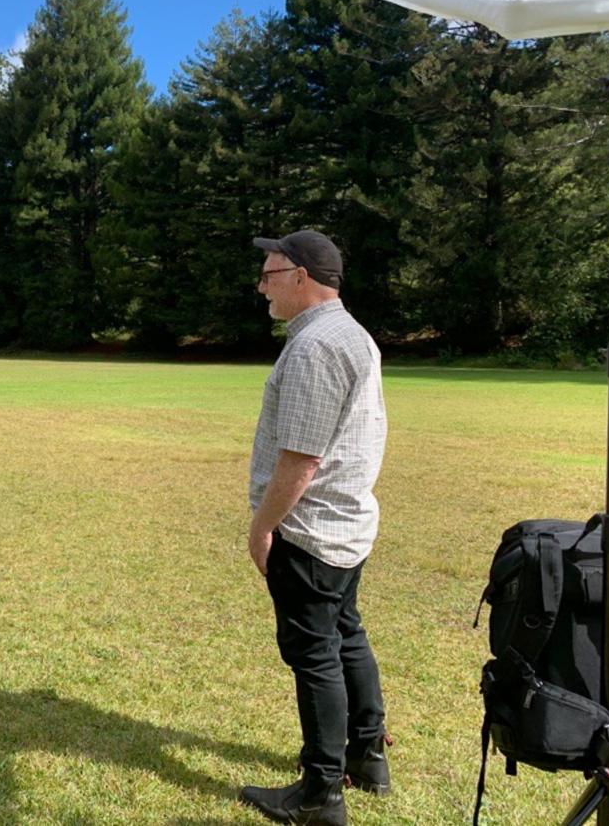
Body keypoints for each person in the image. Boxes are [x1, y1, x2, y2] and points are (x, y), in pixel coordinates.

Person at [241, 230, 389, 826]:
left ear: (300, 277)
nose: (262, 287)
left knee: (315, 655)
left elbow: (301, 460)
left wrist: (263, 527)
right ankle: (368, 755)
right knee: (345, 634)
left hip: (310, 532)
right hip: (346, 525)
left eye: (269, 275)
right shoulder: (352, 334)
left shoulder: (314, 347)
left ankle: (321, 792)